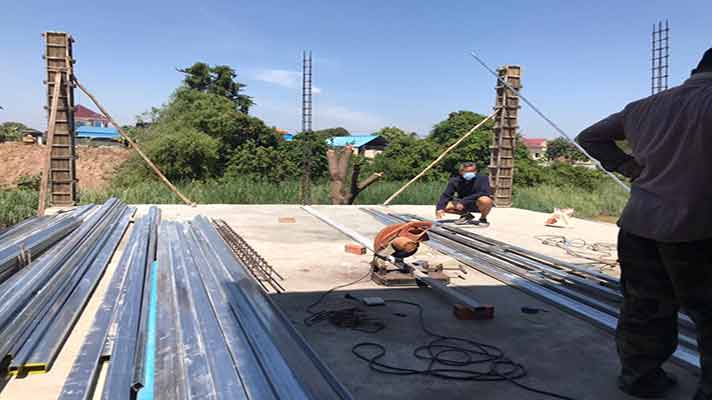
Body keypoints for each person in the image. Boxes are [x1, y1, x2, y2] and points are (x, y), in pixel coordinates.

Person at [576, 48, 712, 399]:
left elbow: (589, 137)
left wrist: (625, 165)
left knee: (644, 306)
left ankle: (640, 378)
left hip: (638, 226)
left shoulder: (644, 106)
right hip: (698, 230)